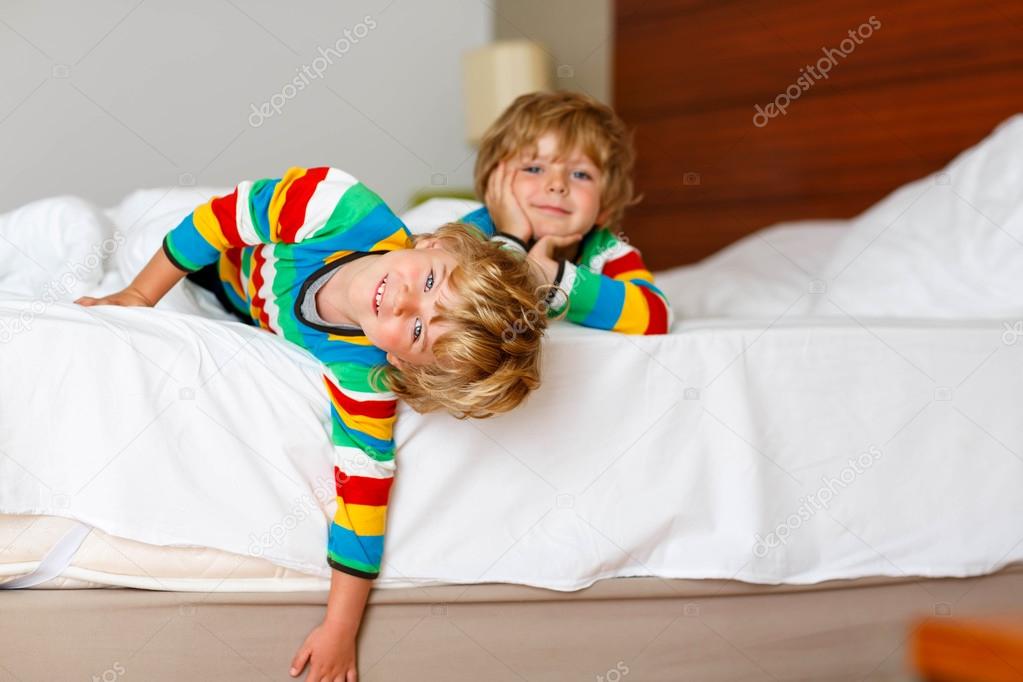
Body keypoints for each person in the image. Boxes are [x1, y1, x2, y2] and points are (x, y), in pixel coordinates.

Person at [76, 165, 558, 681]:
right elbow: (220, 220)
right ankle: (514, 237)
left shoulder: (363, 375)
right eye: (429, 281)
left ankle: (534, 253)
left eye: (417, 329)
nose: (400, 299)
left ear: (404, 364)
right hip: (214, 246)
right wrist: (139, 296)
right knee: (117, 228)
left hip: (235, 301)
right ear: (433, 242)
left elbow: (363, 496)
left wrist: (339, 628)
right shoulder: (340, 208)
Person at [463, 90, 673, 335]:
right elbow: (455, 299)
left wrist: (554, 279)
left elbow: (657, 315)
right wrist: (512, 237)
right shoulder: (476, 230)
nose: (557, 184)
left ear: (604, 206)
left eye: (580, 174)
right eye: (533, 168)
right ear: (495, 184)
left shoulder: (607, 252)